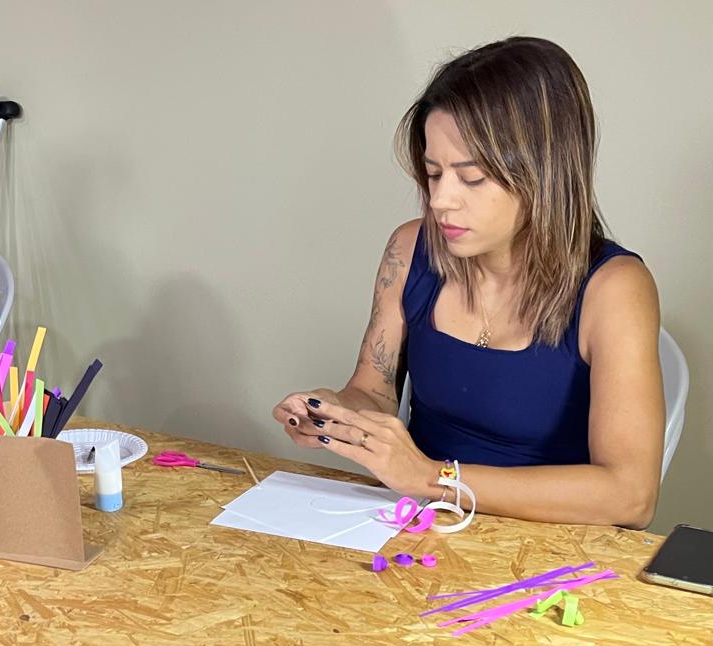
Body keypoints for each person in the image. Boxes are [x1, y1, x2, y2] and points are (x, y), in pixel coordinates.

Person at [272, 37, 663, 530]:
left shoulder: (616, 288)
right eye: (433, 174)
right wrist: (336, 414)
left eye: (471, 177)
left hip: (551, 550)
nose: (440, 201)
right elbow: (372, 392)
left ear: (544, 173)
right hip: (420, 531)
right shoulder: (409, 249)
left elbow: (630, 497)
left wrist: (433, 478)